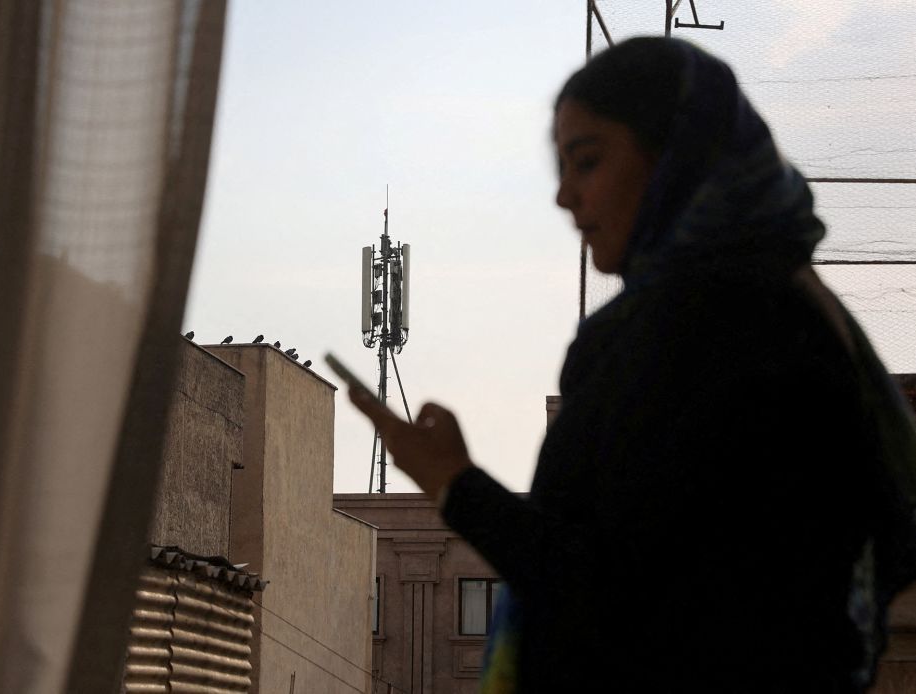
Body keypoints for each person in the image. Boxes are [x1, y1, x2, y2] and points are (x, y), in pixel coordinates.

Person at [349, 37, 916, 693]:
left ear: (674, 155)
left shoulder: (682, 329)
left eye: (586, 162)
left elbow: (614, 596)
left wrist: (454, 487)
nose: (564, 196)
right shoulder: (803, 316)